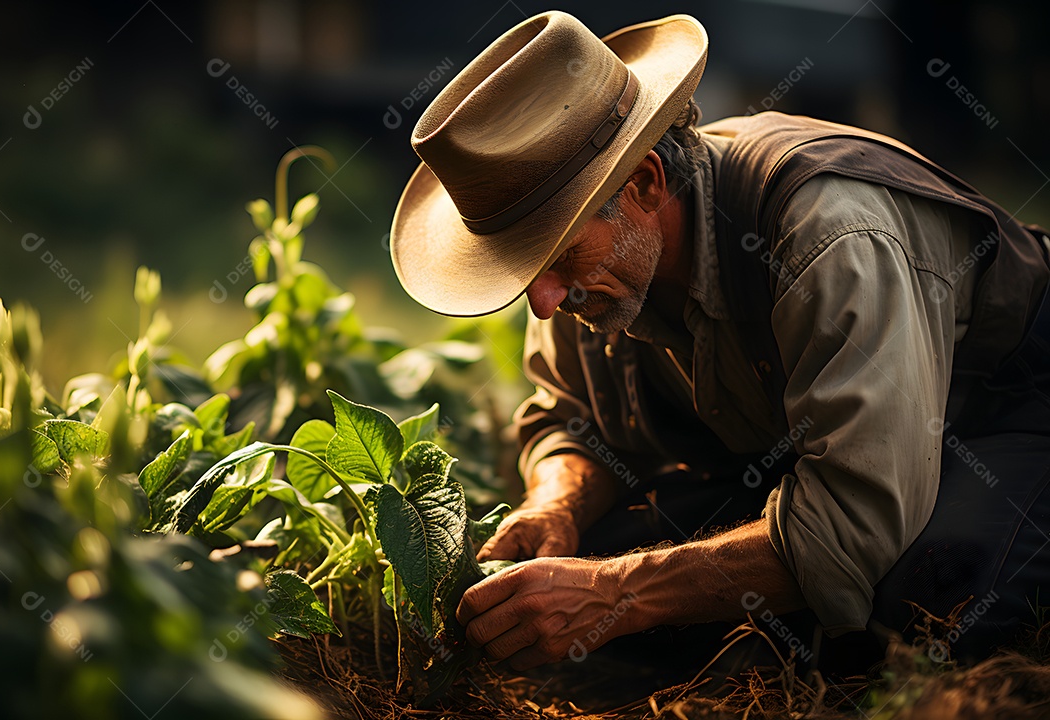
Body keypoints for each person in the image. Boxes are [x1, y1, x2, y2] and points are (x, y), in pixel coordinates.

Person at [389, 11, 1050, 674]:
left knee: (928, 595)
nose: (543, 300)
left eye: (558, 255)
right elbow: (569, 419)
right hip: (810, 455)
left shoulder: (827, 237)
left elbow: (850, 531)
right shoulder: (585, 272)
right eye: (524, 268)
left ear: (646, 182)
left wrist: (617, 593)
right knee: (574, 567)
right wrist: (557, 503)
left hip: (1006, 416)